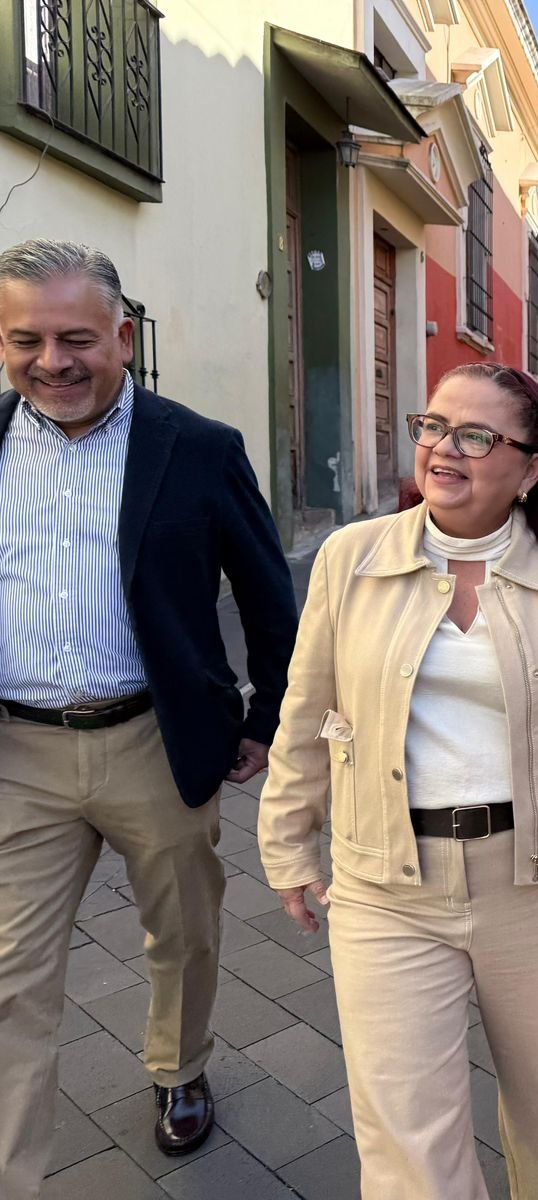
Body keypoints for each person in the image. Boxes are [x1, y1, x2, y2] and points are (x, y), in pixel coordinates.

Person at [257, 363, 538, 1199]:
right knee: (407, 1151)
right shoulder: (351, 560)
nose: (442, 448)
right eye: (433, 426)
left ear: (530, 468)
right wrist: (287, 840)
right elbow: (306, 709)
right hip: (387, 886)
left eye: (475, 435)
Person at [0, 239, 297, 1192]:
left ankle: (180, 1067)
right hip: (18, 752)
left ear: (123, 338)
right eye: (26, 340)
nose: (52, 361)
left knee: (184, 932)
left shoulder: (199, 448)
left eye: (76, 339)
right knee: (10, 979)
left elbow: (269, 594)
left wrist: (269, 715)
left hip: (155, 738)